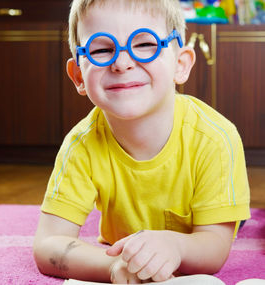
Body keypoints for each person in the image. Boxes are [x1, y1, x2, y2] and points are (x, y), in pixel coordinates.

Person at [33, 0, 250, 283]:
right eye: (101, 49)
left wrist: (175, 245)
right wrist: (112, 266)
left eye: (145, 45)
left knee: (230, 220)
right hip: (124, 246)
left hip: (203, 216)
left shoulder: (216, 137)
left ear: (180, 64)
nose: (122, 63)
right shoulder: (81, 145)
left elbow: (214, 250)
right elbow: (48, 244)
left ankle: (238, 214)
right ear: (78, 76)